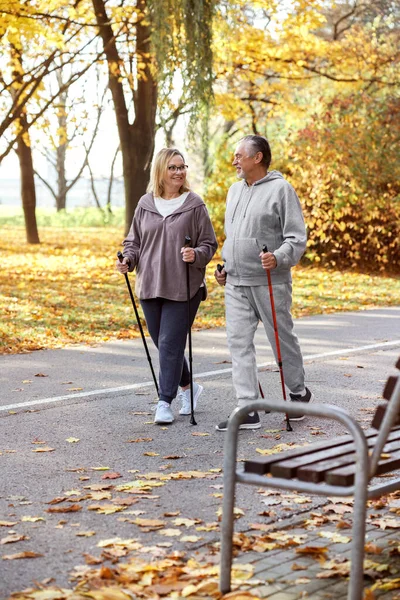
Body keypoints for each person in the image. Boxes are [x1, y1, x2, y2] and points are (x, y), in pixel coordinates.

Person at [214, 134, 313, 431]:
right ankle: (248, 406)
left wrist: (279, 257)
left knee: (281, 339)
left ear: (257, 157)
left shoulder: (281, 190)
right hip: (236, 282)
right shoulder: (233, 191)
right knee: (238, 343)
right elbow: (232, 238)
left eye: (239, 156)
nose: (234, 161)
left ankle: (298, 392)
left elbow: (296, 237)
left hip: (270, 282)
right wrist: (224, 267)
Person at [116, 148, 217, 425]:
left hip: (184, 286)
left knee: (170, 344)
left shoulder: (194, 204)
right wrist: (128, 258)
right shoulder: (145, 204)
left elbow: (209, 243)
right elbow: (134, 242)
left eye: (182, 167)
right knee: (164, 345)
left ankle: (164, 402)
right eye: (172, 167)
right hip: (150, 284)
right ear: (161, 171)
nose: (179, 172)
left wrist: (195, 254)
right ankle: (190, 388)